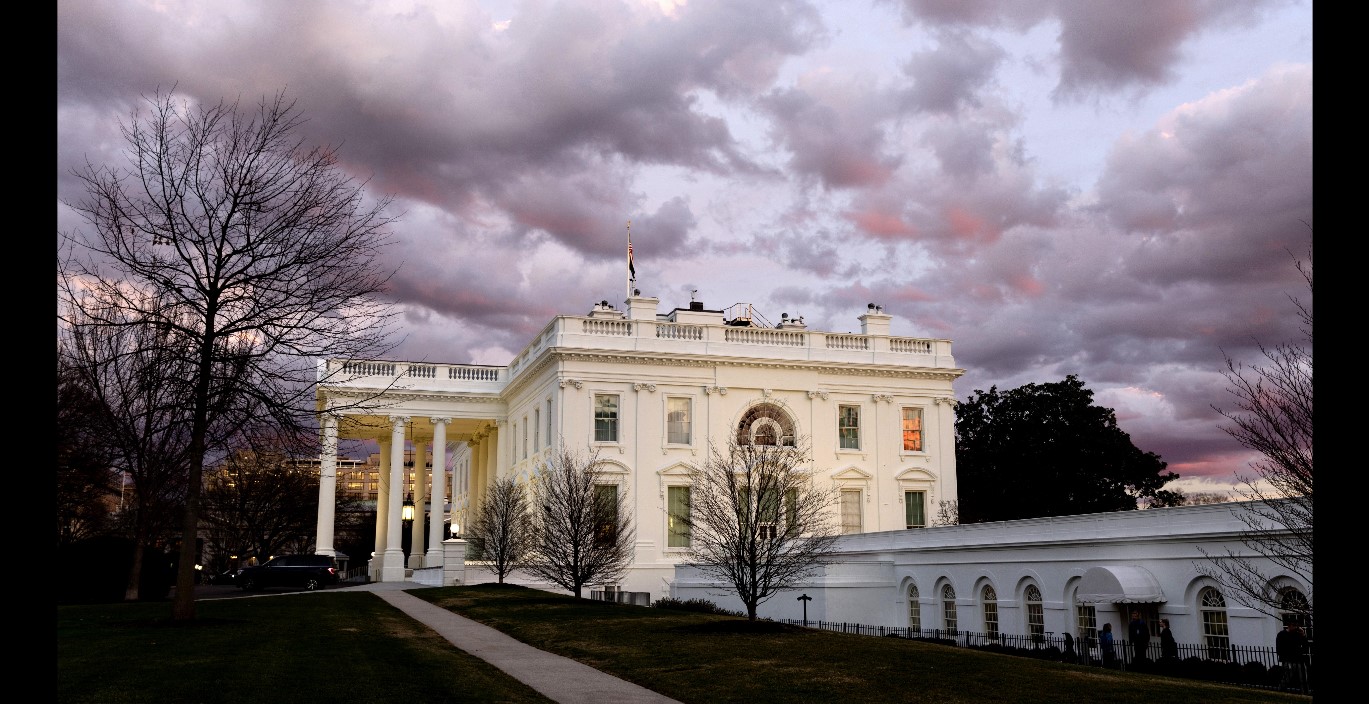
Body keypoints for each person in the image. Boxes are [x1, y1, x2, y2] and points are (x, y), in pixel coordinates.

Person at [1276, 620, 1309, 694]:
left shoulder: (1297, 634)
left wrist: (1303, 634)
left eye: (1296, 626)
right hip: (1288, 660)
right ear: (1289, 625)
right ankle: (1280, 691)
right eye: (1294, 625)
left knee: (1303, 678)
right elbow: (1279, 648)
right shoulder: (1281, 634)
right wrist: (1284, 659)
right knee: (1286, 678)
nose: (1295, 627)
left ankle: (1305, 693)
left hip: (1299, 660)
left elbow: (1305, 645)